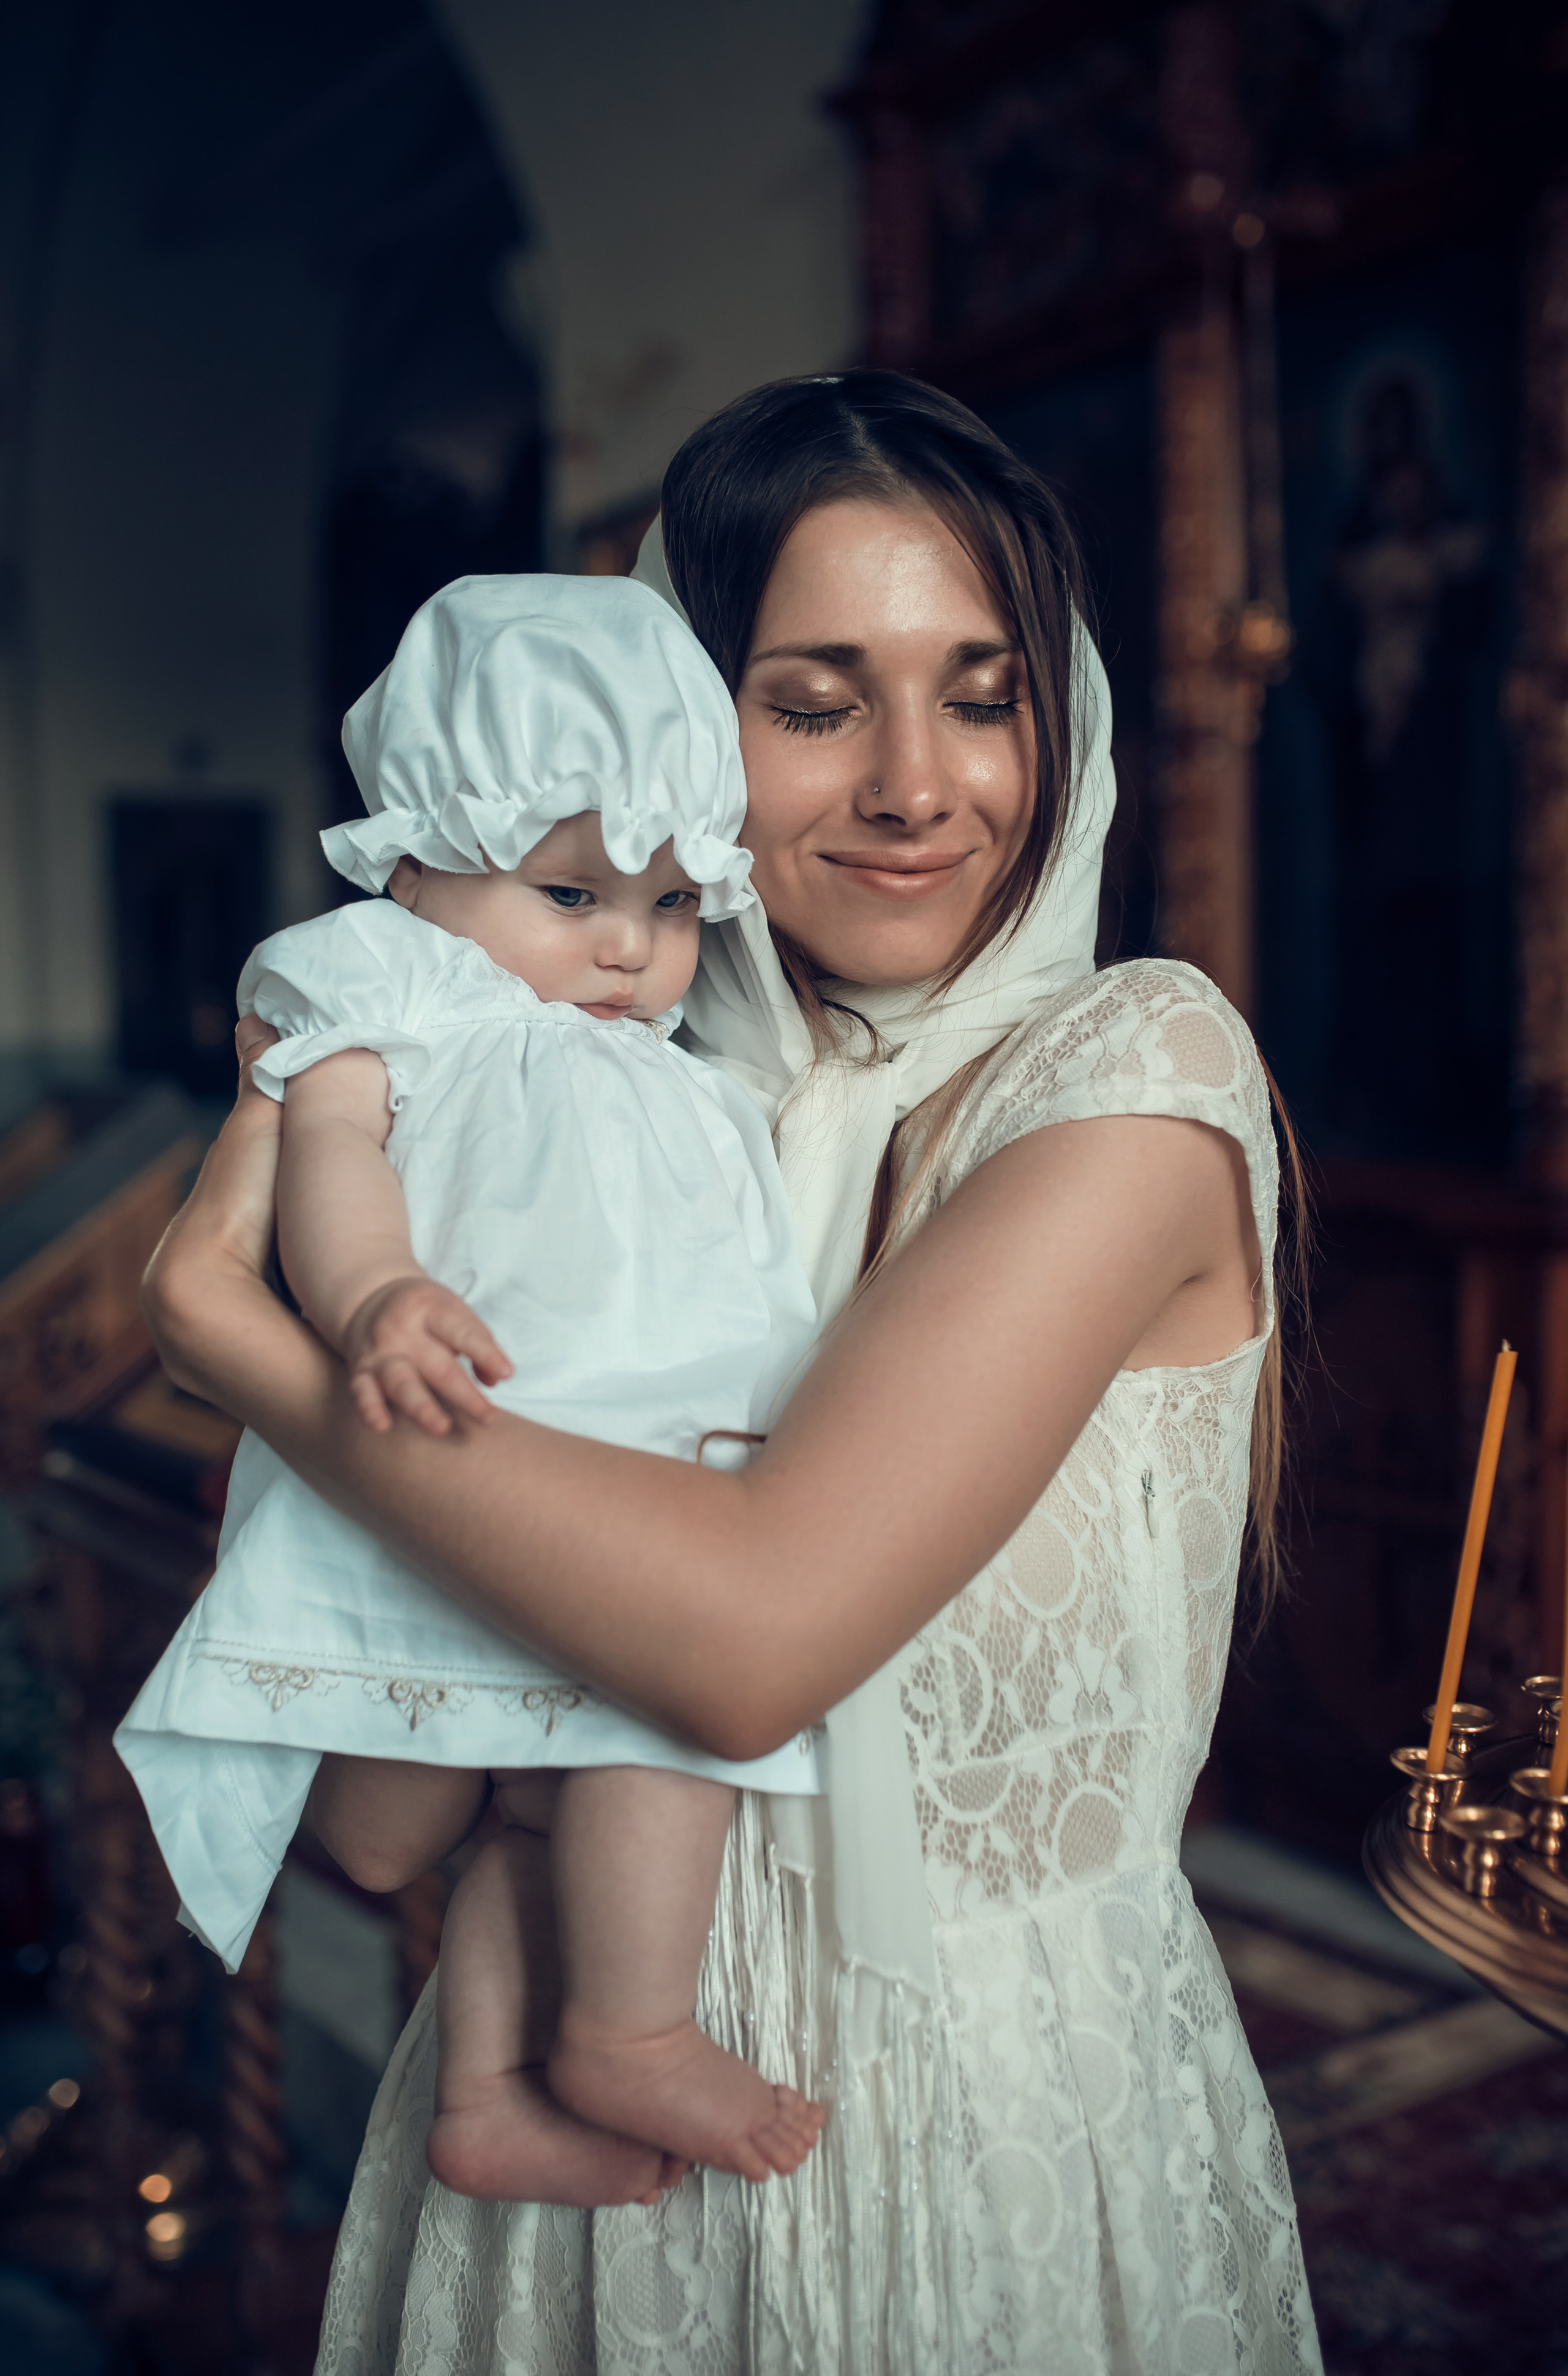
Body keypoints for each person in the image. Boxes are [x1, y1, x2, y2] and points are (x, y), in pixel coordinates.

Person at [143, 373, 1323, 2375]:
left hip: (983, 2132)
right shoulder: (601, 1129)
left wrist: (250, 1341)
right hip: (575, 2167)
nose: (917, 783)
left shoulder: (1138, 1074)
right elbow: (383, 1827)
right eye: (811, 701)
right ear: (676, 741)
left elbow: (751, 1641)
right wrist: (375, 1251)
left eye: (983, 689)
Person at [116, 575, 827, 2205]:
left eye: (667, 904)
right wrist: (375, 1293)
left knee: (562, 1792)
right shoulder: (405, 983)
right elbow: (336, 1145)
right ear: (424, 858)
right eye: (571, 888)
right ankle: (628, 2036)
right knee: (637, 1735)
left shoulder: (677, 1068)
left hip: (642, 1483)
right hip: (457, 1434)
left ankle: (499, 2084)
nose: (629, 946)